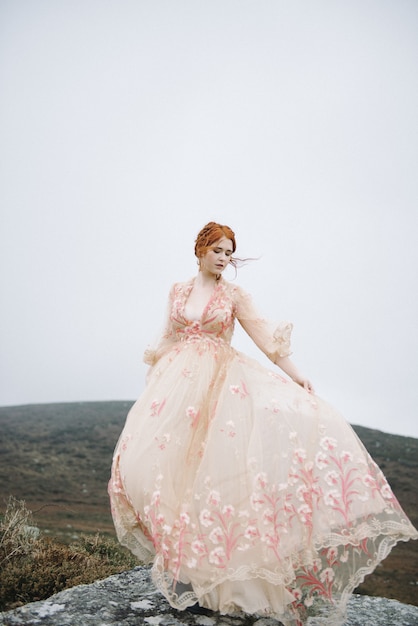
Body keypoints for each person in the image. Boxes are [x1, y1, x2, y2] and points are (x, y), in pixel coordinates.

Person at [108, 222, 417, 626]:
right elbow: (168, 337)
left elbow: (264, 338)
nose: (224, 257)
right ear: (200, 249)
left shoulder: (233, 295)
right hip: (176, 391)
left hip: (219, 389)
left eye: (229, 252)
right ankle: (191, 569)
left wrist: (296, 375)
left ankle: (226, 584)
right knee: (156, 472)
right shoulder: (177, 291)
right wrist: (157, 385)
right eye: (218, 249)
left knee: (213, 481)